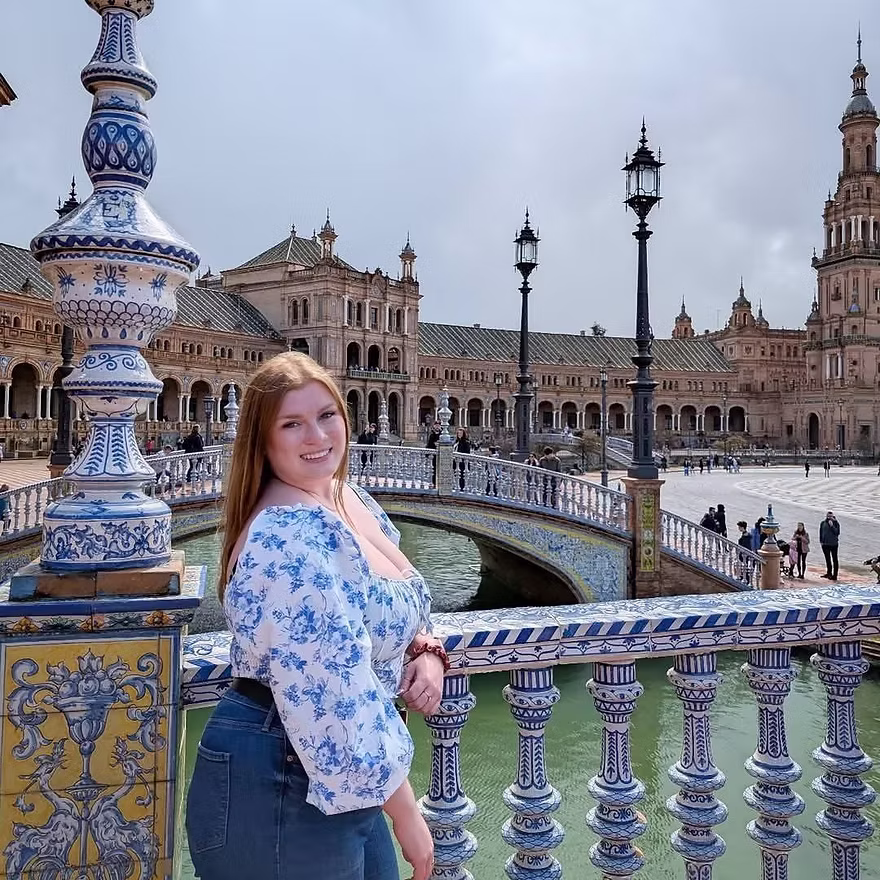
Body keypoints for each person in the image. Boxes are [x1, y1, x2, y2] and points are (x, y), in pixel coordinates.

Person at [186, 352, 441, 880]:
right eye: (292, 423)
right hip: (280, 775)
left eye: (327, 415)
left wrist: (425, 647)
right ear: (262, 440)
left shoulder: (350, 500)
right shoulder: (287, 537)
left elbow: (391, 605)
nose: (317, 436)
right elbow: (333, 692)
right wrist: (408, 817)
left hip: (351, 772)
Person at [819, 510, 840, 581]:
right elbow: (821, 532)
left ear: (833, 516)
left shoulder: (836, 523)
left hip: (833, 544)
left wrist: (832, 526)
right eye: (828, 516)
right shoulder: (823, 523)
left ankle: (835, 575)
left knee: (835, 560)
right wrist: (821, 541)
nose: (829, 518)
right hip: (825, 544)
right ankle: (829, 573)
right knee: (827, 559)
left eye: (831, 516)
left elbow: (837, 533)